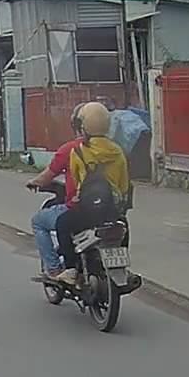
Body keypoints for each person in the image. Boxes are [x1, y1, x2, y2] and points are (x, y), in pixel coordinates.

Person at [54, 103, 130, 282]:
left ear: (83, 126)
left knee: (62, 224)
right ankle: (123, 268)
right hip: (111, 211)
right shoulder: (118, 151)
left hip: (88, 212)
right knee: (123, 228)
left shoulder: (78, 151)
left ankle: (71, 269)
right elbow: (124, 185)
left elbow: (78, 183)